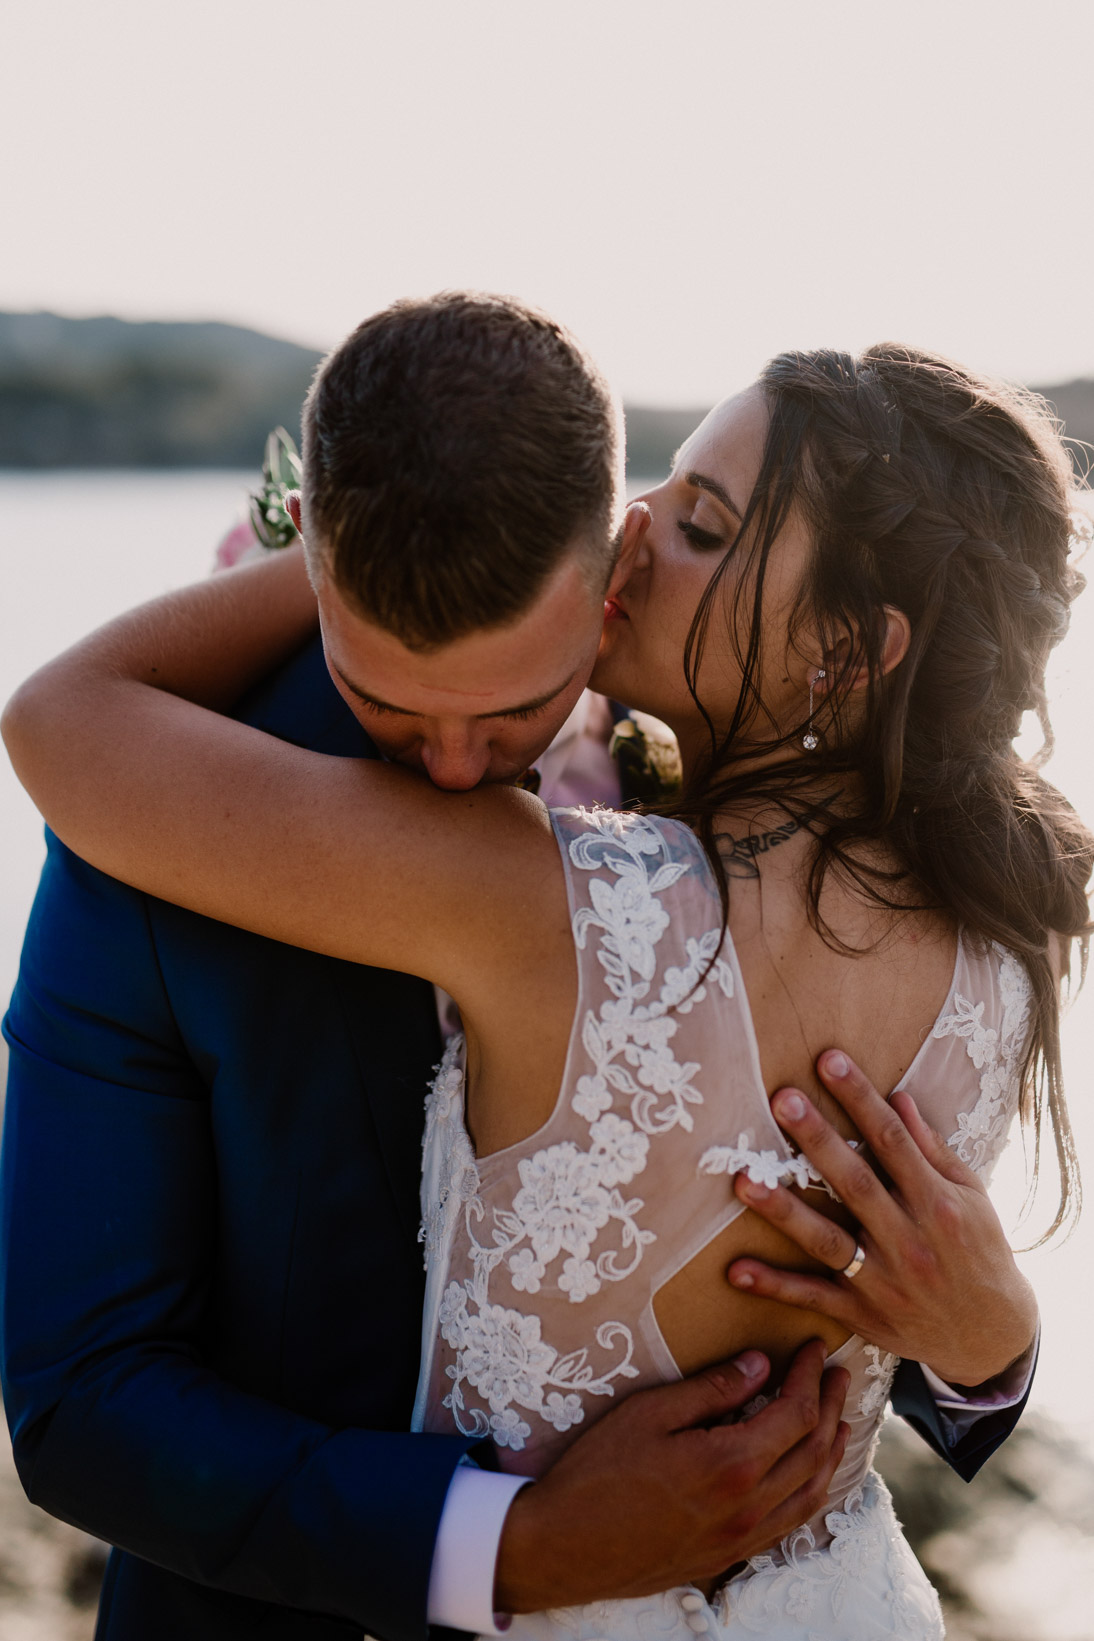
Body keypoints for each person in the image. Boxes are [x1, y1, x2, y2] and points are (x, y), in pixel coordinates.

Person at [0, 300, 1052, 1639]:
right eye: (658, 502)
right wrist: (509, 1543)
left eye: (700, 524)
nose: (454, 768)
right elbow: (82, 1396)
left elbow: (53, 716)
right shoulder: (1003, 938)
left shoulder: (589, 874)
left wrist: (986, 1345)